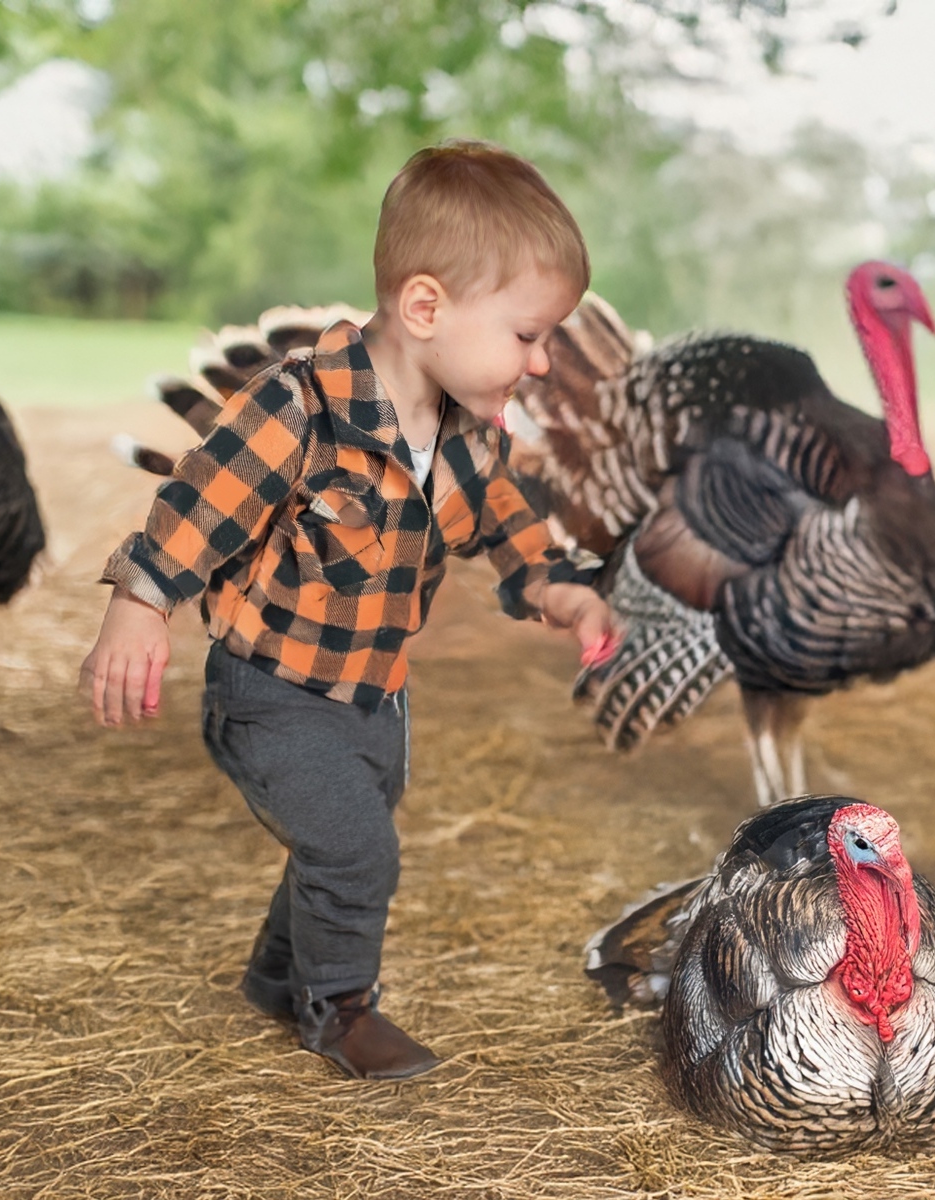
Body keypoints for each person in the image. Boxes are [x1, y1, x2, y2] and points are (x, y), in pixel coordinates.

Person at [79, 141, 614, 1081]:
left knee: (341, 838)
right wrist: (139, 604)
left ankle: (276, 976)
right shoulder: (299, 408)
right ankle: (338, 1013)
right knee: (357, 850)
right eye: (527, 335)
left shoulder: (463, 437)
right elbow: (201, 503)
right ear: (424, 307)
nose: (537, 364)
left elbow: (509, 531)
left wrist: (561, 589)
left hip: (375, 699)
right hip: (270, 692)